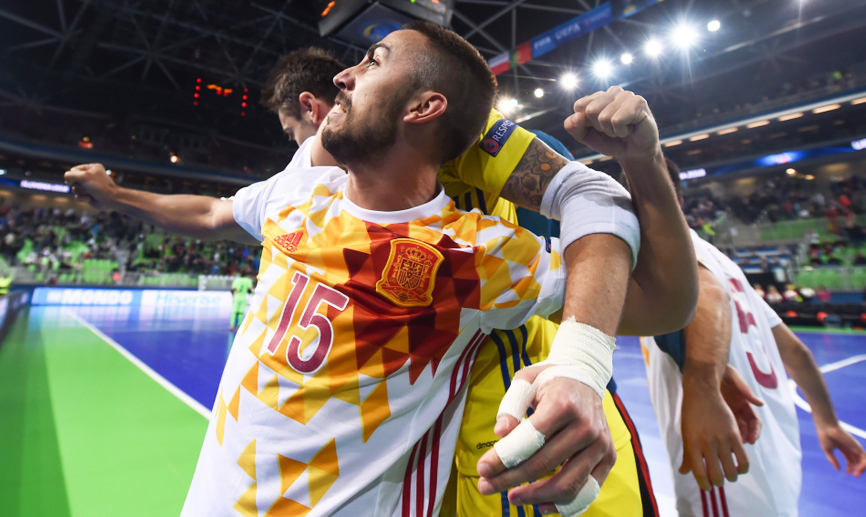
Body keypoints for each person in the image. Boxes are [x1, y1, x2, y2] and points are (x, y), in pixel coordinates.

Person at [65, 30, 697, 515]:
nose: (343, 77)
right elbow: (211, 210)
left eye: (371, 62)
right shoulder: (298, 195)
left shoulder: (473, 248)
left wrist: (643, 161)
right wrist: (117, 195)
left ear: (424, 106)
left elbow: (637, 262)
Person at [641, 159, 866, 517]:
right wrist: (827, 421)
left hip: (726, 455)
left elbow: (709, 297)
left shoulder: (666, 261)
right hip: (777, 455)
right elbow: (796, 351)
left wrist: (704, 387)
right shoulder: (726, 263)